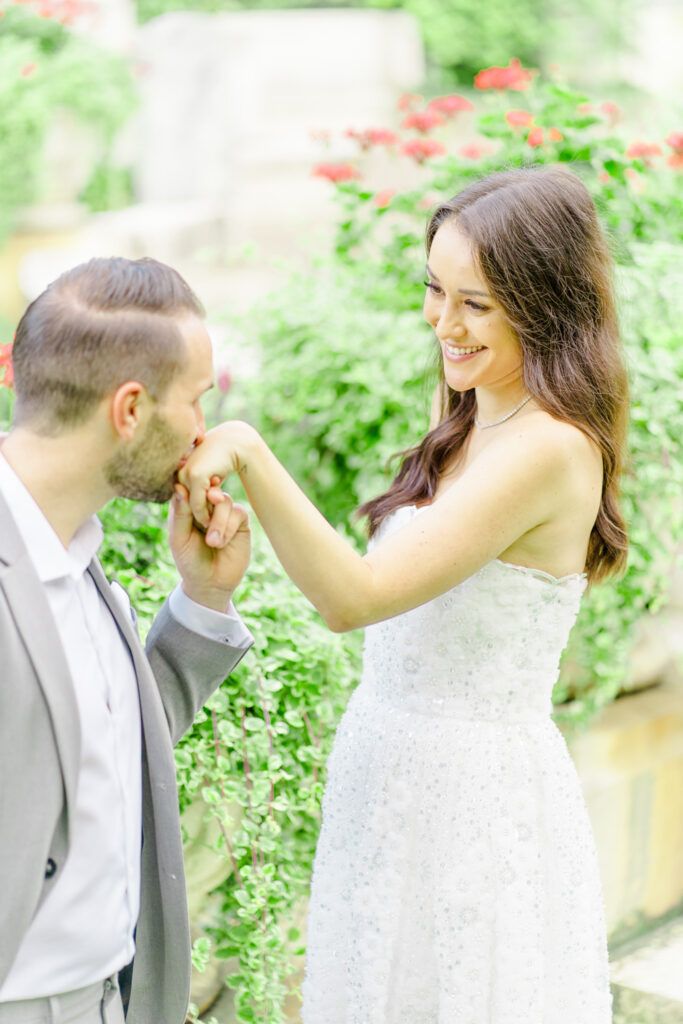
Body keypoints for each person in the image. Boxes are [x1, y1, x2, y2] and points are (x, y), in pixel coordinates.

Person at [180, 166, 629, 1022]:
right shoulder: (476, 413)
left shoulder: (550, 448)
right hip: (390, 770)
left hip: (471, 799)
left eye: (476, 304)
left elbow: (356, 597)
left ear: (545, 304)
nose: (443, 323)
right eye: (434, 289)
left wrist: (245, 448)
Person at [0, 257, 253, 1024]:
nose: (203, 432)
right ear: (131, 408)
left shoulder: (75, 553)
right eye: (195, 402)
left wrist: (203, 598)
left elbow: (88, 756)